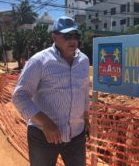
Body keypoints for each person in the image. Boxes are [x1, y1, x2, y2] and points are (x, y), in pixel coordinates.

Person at [13, 16, 90, 166]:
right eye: (67, 36)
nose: (73, 40)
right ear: (54, 37)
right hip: (43, 136)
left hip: (76, 134)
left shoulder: (84, 61)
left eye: (76, 35)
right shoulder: (39, 61)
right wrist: (45, 123)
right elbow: (20, 96)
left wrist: (86, 118)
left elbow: (84, 91)